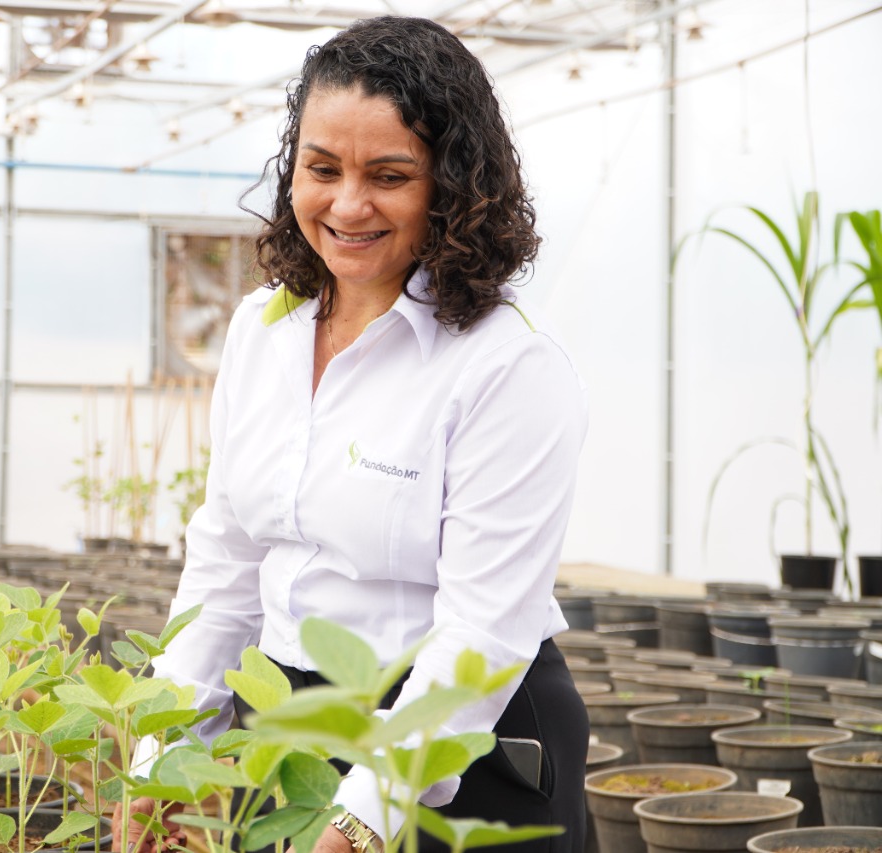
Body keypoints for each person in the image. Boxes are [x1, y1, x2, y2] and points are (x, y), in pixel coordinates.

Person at [116, 15, 588, 853]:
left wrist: (366, 815)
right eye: (321, 169)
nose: (347, 204)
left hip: (463, 749)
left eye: (390, 175)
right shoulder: (261, 329)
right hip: (287, 734)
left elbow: (482, 633)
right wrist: (162, 754)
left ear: (453, 185)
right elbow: (226, 565)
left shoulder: (507, 363)